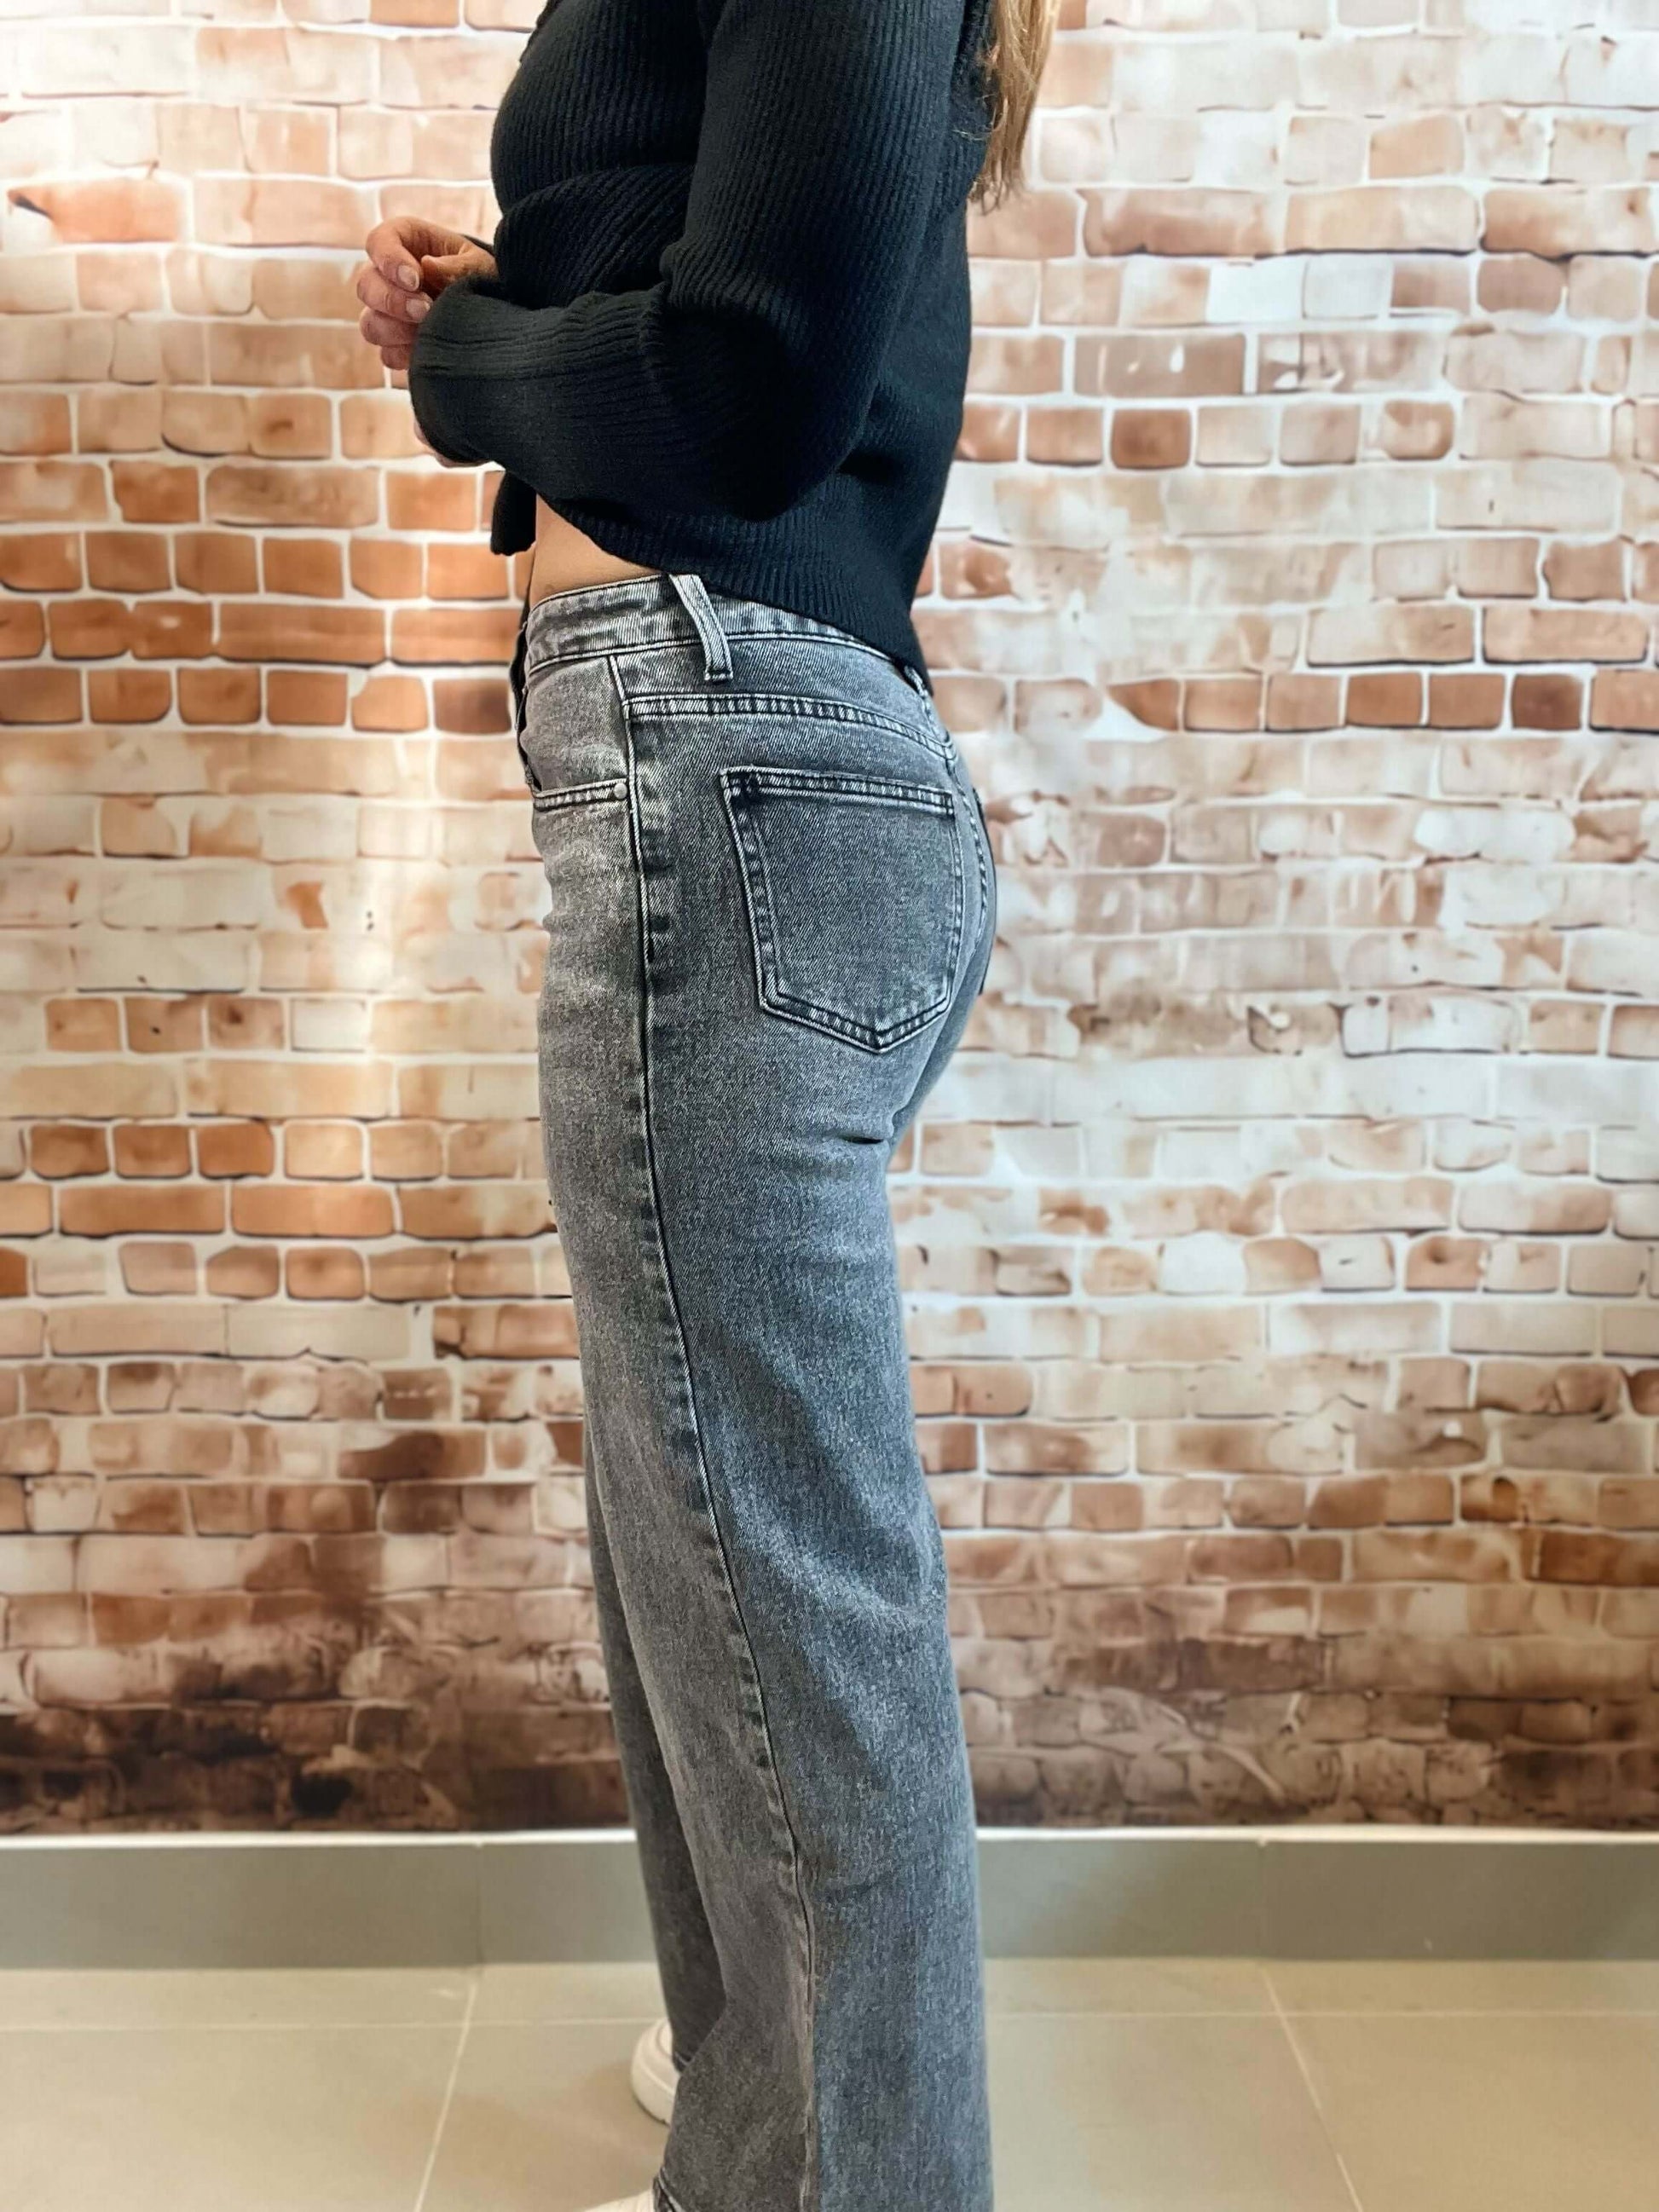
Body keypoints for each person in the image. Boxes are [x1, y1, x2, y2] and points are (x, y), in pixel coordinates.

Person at [352, 4, 1055, 2207]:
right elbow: (729, 299)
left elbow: (748, 385)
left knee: (772, 1571)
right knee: (709, 1544)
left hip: (727, 752)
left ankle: (848, 2173)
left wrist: (468, 366)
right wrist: (525, 298)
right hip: (733, 763)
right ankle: (773, 2099)